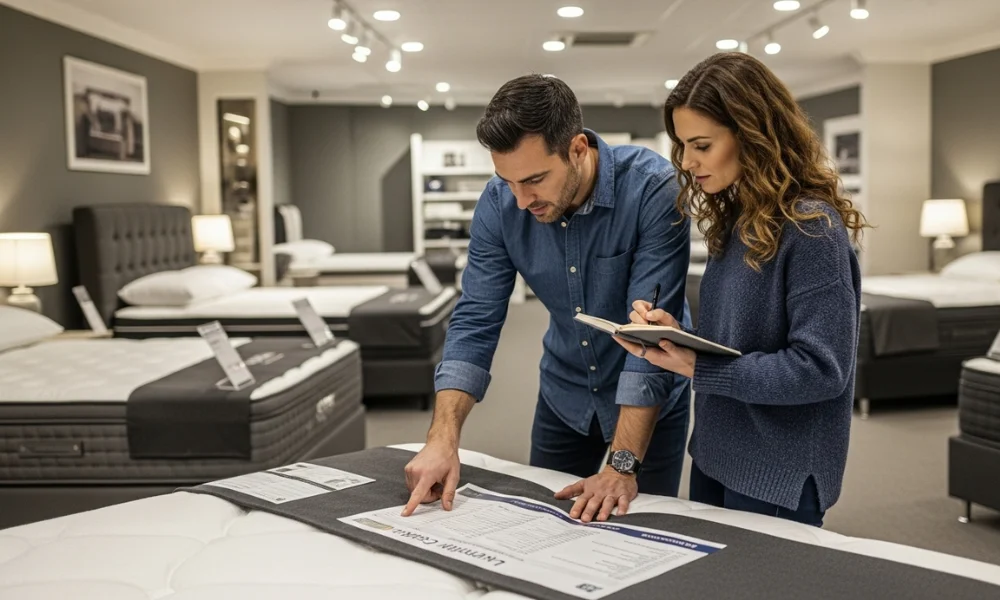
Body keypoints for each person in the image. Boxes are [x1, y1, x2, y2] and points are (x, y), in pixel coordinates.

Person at [402, 74, 692, 523]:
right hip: (565, 394)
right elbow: (476, 318)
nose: (520, 201)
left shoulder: (652, 189)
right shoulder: (500, 204)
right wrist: (443, 438)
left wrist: (620, 465)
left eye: (535, 179)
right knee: (546, 530)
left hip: (649, 399)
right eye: (508, 180)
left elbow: (649, 336)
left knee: (639, 539)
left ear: (578, 148)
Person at [616, 52, 867, 527]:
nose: (687, 162)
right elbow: (736, 345)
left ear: (753, 136)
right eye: (683, 146)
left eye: (701, 145)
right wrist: (677, 336)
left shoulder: (812, 230)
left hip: (776, 471)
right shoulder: (736, 221)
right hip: (715, 452)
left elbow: (820, 370)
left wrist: (698, 366)